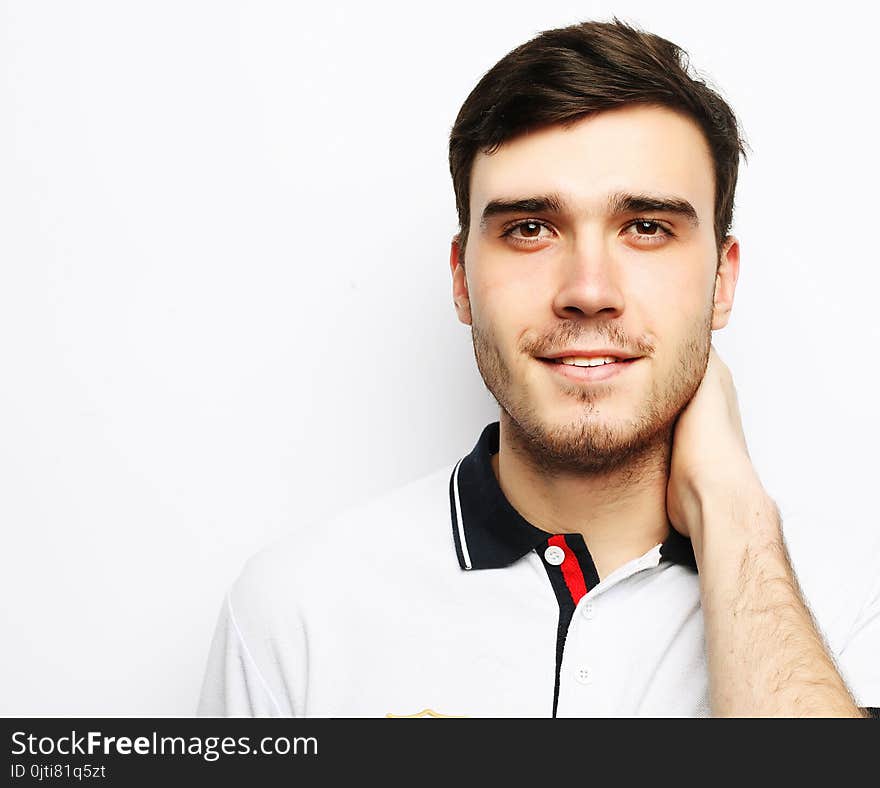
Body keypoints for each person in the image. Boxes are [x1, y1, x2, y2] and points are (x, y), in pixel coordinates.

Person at [196, 17, 879, 718]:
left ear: (722, 283)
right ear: (462, 279)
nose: (588, 290)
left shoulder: (851, 608)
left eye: (647, 227)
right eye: (529, 228)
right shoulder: (295, 613)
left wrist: (731, 514)